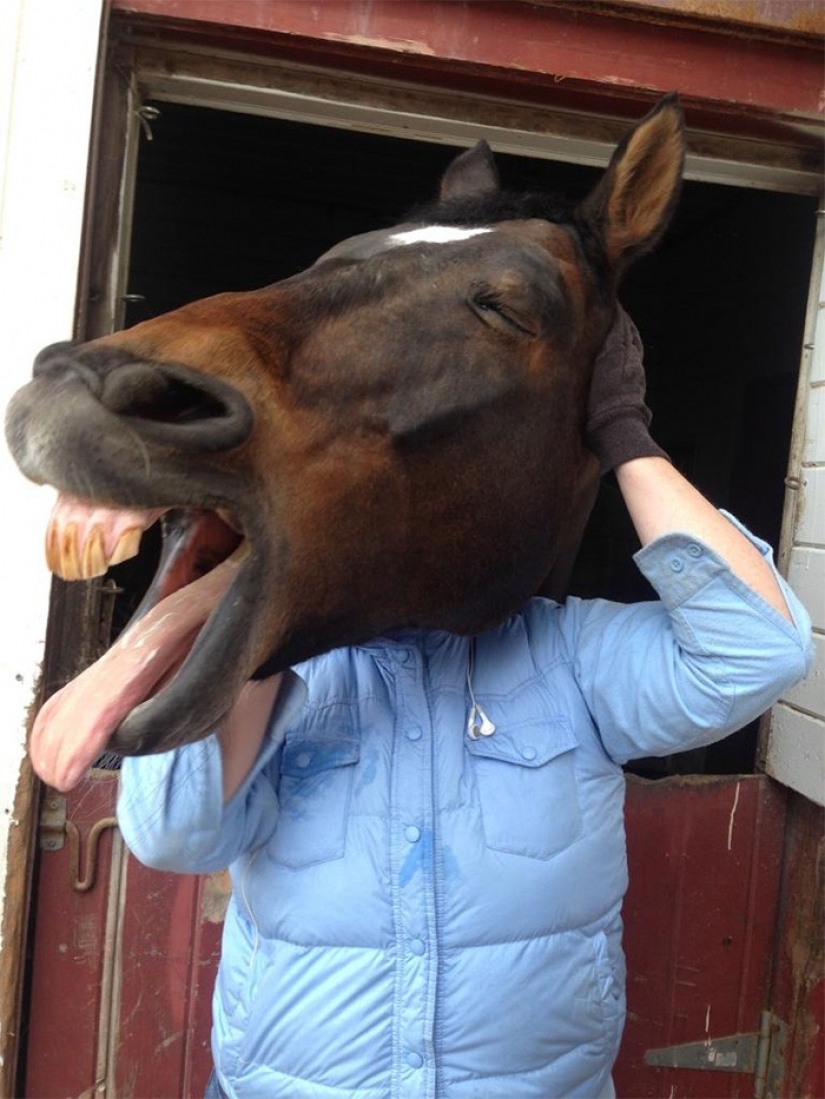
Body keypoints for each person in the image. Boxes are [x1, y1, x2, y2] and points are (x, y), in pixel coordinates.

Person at [117, 307, 813, 1099]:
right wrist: (273, 561)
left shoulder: (569, 656)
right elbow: (171, 828)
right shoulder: (288, 666)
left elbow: (760, 649)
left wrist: (622, 434)